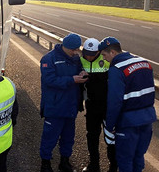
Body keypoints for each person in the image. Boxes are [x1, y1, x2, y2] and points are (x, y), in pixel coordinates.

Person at [98, 37, 156, 172]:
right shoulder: (144, 62)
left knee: (125, 159)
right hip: (147, 119)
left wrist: (110, 125)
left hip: (127, 123)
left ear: (112, 52)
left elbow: (114, 102)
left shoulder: (116, 69)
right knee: (138, 156)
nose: (105, 59)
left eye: (105, 55)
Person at [39, 33, 88, 172]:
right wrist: (72, 79)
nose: (74, 52)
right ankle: (45, 163)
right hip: (54, 106)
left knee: (68, 137)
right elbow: (49, 80)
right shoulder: (49, 59)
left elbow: (79, 72)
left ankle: (64, 161)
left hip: (71, 105)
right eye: (72, 49)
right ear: (65, 46)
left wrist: (82, 74)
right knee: (49, 137)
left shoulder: (76, 59)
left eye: (76, 49)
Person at [80, 38, 117, 172]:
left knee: (111, 137)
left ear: (99, 52)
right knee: (92, 135)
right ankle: (94, 164)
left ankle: (113, 165)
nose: (89, 56)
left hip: (108, 106)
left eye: (92, 54)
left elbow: (112, 79)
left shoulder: (107, 60)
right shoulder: (80, 60)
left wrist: (90, 77)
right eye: (86, 53)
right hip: (91, 105)